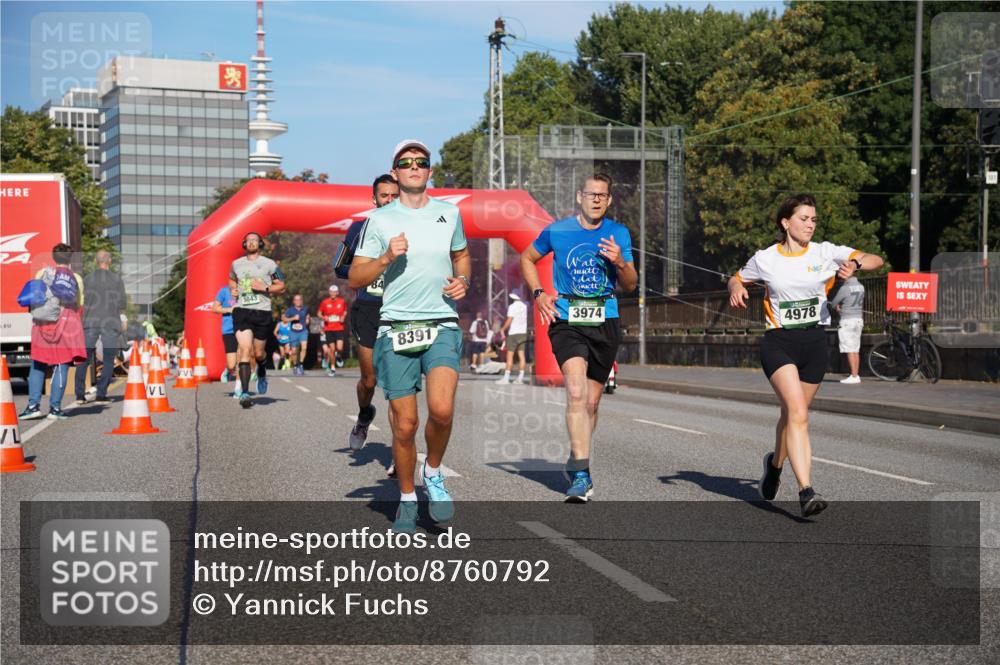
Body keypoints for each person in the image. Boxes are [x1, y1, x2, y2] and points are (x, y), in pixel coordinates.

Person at [728, 193, 883, 517]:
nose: (810, 224)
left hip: (814, 343)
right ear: (786, 222)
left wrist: (854, 264)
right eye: (804, 219)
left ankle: (774, 465)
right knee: (798, 412)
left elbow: (875, 259)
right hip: (778, 343)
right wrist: (736, 288)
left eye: (813, 219)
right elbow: (737, 277)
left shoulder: (826, 253)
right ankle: (806, 491)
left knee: (791, 416)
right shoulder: (766, 258)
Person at [349, 139, 471, 533]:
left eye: (421, 162)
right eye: (406, 162)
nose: (414, 167)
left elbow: (461, 255)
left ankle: (432, 472)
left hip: (441, 323)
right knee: (404, 426)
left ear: (429, 171)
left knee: (442, 409)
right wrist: (385, 257)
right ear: (396, 171)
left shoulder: (449, 213)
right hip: (395, 327)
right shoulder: (379, 221)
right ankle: (405, 497)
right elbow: (355, 276)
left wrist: (463, 279)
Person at [520, 173, 637, 502]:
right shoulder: (558, 231)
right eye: (591, 194)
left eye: (603, 195)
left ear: (609, 200)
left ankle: (577, 457)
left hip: (605, 319)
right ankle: (583, 475)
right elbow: (527, 258)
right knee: (574, 390)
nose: (596, 199)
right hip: (567, 319)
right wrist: (540, 293)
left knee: (591, 402)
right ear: (579, 197)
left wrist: (619, 262)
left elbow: (630, 284)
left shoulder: (618, 233)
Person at [335, 173, 400, 453]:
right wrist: (368, 268)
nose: (389, 200)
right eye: (384, 196)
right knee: (369, 380)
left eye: (394, 196)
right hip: (368, 308)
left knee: (398, 386)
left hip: (400, 309)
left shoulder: (414, 228)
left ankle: (401, 452)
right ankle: (364, 416)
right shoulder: (358, 228)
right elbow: (339, 267)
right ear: (374, 199)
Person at [19, 244, 87, 420]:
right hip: (65, 325)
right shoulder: (76, 279)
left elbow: (33, 299)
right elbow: (79, 305)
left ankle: (33, 406)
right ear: (70, 258)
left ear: (53, 257)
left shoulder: (41, 274)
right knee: (61, 365)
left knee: (38, 364)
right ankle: (55, 408)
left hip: (42, 325)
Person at [230, 231, 285, 408]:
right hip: (242, 310)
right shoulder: (236, 264)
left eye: (255, 240)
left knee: (259, 353)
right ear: (244, 244)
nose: (252, 243)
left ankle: (262, 369)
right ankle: (245, 393)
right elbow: (231, 280)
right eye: (248, 240)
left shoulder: (269, 264)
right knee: (245, 349)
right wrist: (233, 290)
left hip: (262, 311)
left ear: (260, 244)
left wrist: (265, 288)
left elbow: (281, 286)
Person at [74, 250, 126, 404]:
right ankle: (101, 394)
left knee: (84, 358)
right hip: (110, 322)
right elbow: (122, 303)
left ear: (96, 262)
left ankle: (79, 395)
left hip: (90, 321)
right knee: (109, 358)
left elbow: (81, 300)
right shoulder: (117, 280)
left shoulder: (87, 279)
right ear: (109, 260)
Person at [830, 275, 866, 384]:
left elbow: (834, 303)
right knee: (855, 349)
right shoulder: (861, 286)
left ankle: (854, 376)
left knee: (850, 349)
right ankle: (856, 374)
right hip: (858, 319)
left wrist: (836, 307)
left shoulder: (845, 288)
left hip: (847, 320)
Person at [211, 282, 242, 397]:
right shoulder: (224, 291)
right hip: (229, 330)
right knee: (232, 364)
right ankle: (228, 370)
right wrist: (229, 309)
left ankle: (238, 389)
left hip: (244, 328)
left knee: (242, 359)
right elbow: (214, 308)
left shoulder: (247, 291)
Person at [495, 292, 529, 384]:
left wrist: (502, 329)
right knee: (522, 356)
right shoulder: (524, 306)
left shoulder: (512, 307)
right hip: (523, 332)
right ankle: (520, 378)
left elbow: (510, 320)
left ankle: (506, 378)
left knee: (510, 356)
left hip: (513, 333)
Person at [317, 285, 348, 376]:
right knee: (331, 349)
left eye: (335, 292)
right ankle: (333, 367)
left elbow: (345, 311)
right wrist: (324, 317)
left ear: (337, 293)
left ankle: (338, 356)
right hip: (329, 329)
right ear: (329, 292)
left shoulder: (341, 302)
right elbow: (319, 313)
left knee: (339, 348)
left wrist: (343, 317)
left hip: (339, 328)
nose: (333, 293)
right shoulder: (325, 302)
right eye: (331, 292)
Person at [283, 294, 311, 376]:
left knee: (304, 348)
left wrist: (307, 319)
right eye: (296, 300)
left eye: (299, 300)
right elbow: (284, 319)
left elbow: (308, 315)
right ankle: (295, 365)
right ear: (294, 301)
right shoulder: (290, 310)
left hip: (303, 331)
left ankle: (301, 365)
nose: (298, 301)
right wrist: (293, 318)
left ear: (302, 301)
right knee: (294, 351)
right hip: (293, 332)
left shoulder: (305, 309)